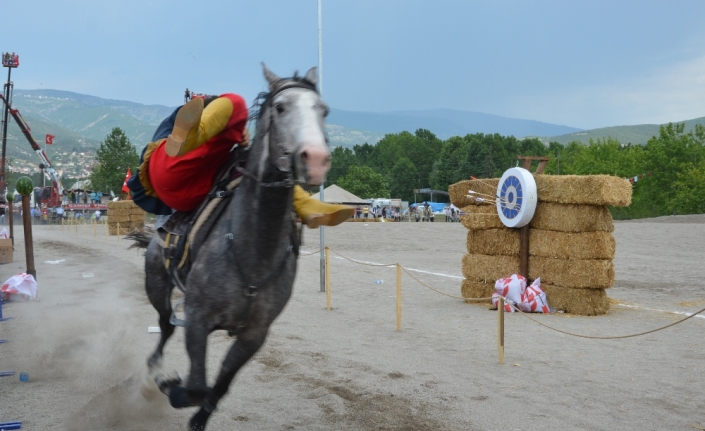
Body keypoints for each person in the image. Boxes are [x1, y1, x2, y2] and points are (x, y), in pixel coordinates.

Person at [128, 94, 353, 228]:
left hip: (179, 188)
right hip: (186, 189)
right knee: (236, 103)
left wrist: (240, 143)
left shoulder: (221, 148)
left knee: (253, 159)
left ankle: (305, 205)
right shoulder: (220, 131)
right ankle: (305, 205)